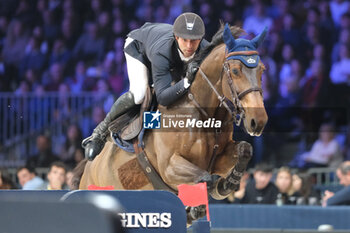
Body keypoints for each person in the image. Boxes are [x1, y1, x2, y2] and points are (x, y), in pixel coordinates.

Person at [82, 12, 209, 160]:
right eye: (185, 40)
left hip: (160, 47)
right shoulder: (162, 52)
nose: (189, 46)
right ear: (177, 37)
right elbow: (163, 98)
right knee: (140, 94)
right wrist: (187, 81)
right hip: (138, 48)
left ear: (201, 39)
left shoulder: (206, 49)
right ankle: (99, 133)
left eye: (194, 41)